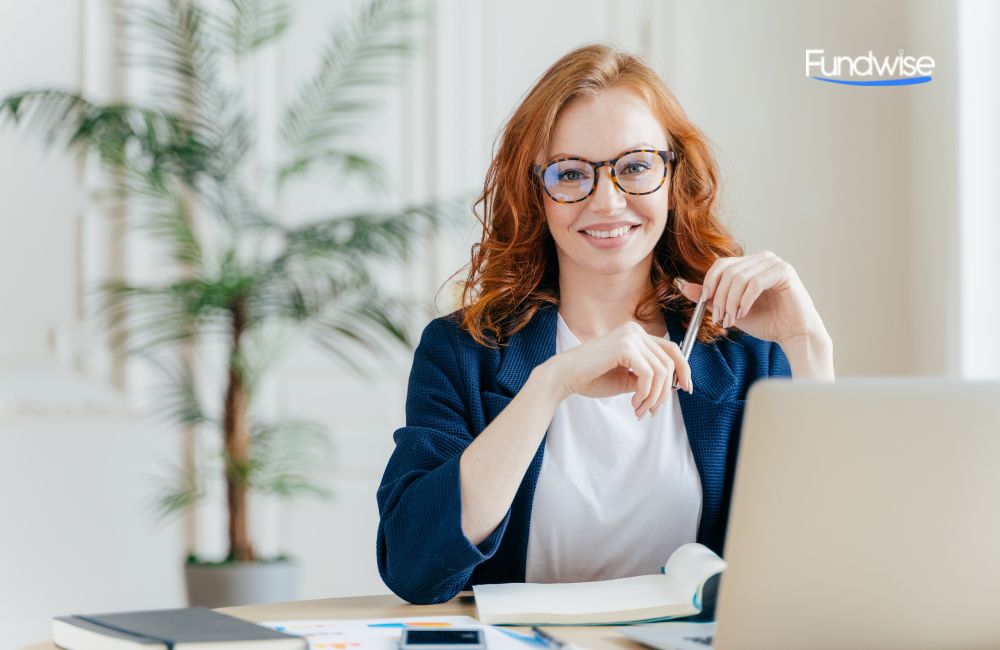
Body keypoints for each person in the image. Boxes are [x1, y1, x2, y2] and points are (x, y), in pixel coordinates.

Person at [375, 43, 834, 605]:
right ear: (535, 192)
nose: (608, 201)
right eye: (571, 174)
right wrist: (551, 386)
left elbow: (820, 561)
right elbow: (413, 567)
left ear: (673, 175)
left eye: (635, 166)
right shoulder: (463, 351)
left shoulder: (741, 352)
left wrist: (806, 346)